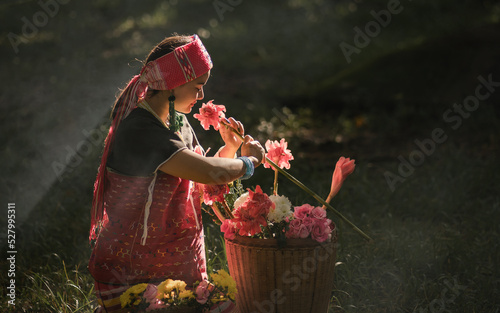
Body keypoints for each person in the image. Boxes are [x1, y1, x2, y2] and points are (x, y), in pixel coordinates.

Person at [88, 34, 264, 312]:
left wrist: (229, 149)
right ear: (172, 84)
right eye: (197, 86)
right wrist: (249, 162)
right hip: (134, 278)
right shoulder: (142, 130)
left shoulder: (175, 122)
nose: (202, 95)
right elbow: (207, 172)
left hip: (170, 270)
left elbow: (200, 178)